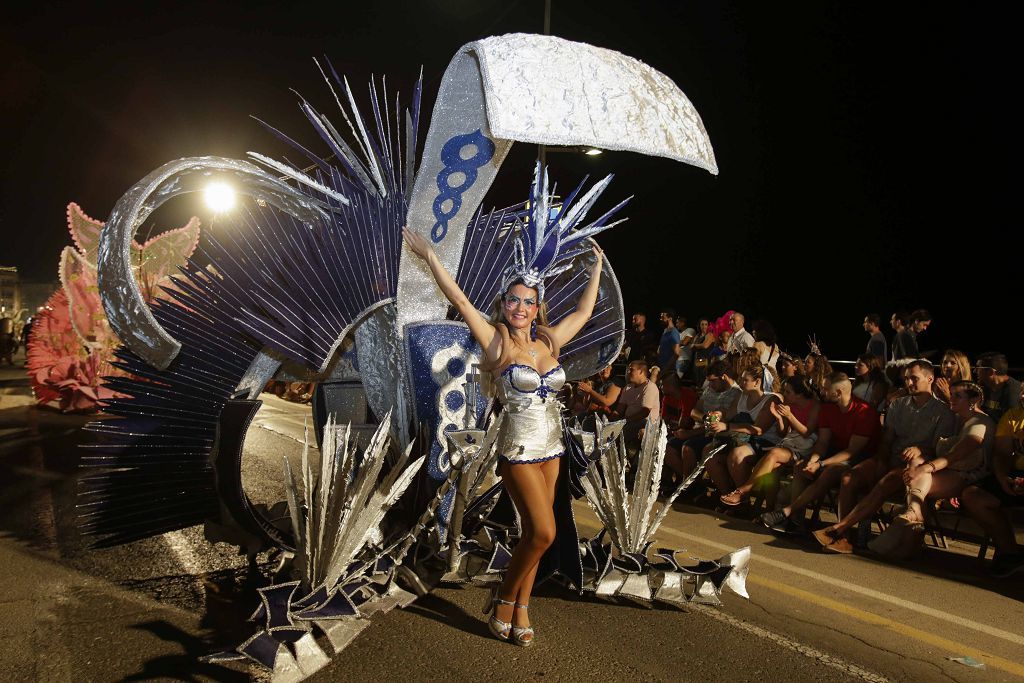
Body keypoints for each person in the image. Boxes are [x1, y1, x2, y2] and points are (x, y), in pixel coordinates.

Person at [402, 173, 610, 646]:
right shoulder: (495, 343)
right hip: (516, 447)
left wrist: (595, 269)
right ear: (505, 304)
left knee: (536, 534)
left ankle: (520, 606)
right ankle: (504, 599)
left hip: (552, 445)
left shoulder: (549, 340)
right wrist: (430, 255)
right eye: (513, 300)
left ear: (537, 309)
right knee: (542, 531)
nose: (519, 307)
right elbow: (458, 298)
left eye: (528, 302)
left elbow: (582, 312)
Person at [811, 361, 955, 553]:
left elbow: (939, 449)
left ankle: (839, 530)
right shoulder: (898, 404)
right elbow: (887, 440)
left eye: (914, 378)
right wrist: (881, 459)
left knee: (886, 481)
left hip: (914, 466)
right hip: (892, 457)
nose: (909, 383)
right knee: (849, 477)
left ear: (930, 379)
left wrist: (920, 449)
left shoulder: (943, 412)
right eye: (906, 379)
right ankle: (843, 538)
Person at [867, 381, 994, 559]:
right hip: (949, 471)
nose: (952, 398)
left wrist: (925, 468)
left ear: (975, 399)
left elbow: (957, 454)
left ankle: (909, 524)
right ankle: (911, 523)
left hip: (970, 476)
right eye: (951, 394)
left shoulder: (979, 422)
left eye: (958, 395)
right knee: (917, 468)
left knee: (918, 481)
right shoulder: (957, 419)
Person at [758, 372, 879, 533]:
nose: (821, 391)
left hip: (861, 457)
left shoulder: (864, 411)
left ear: (838, 393)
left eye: (825, 389)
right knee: (801, 467)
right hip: (834, 451)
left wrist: (821, 463)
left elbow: (852, 451)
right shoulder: (828, 408)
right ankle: (796, 522)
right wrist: (813, 460)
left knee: (830, 472)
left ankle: (790, 514)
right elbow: (822, 442)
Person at [720, 374, 820, 508]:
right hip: (789, 445)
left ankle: (743, 490)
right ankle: (769, 510)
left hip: (805, 450)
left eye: (788, 392)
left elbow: (807, 432)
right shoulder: (789, 405)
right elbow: (782, 432)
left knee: (774, 453)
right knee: (772, 472)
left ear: (799, 394)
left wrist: (789, 416)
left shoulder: (814, 407)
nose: (784, 394)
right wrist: (779, 418)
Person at [960, 380, 1024, 577]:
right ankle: (1010, 553)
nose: (1022, 397)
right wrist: (1003, 477)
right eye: (1022, 392)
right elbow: (1002, 454)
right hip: (1016, 476)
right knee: (973, 495)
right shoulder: (1013, 416)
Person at [703, 364, 781, 504]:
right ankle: (727, 495)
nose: (741, 382)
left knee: (737, 455)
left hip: (764, 441)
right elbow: (729, 414)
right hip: (742, 439)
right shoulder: (742, 396)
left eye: (745, 380)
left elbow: (759, 429)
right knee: (709, 452)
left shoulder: (771, 400)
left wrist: (726, 426)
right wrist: (718, 415)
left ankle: (742, 499)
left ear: (757, 382)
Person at [663, 360, 740, 483]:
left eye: (713, 381)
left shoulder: (736, 394)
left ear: (724, 377)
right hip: (699, 431)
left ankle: (688, 485)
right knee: (668, 448)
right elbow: (694, 411)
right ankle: (691, 483)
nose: (709, 384)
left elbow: (717, 423)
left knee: (688, 448)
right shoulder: (710, 390)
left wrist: (690, 433)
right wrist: (704, 418)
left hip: (716, 435)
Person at [612, 360, 661, 450]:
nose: (628, 372)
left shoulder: (650, 387)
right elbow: (619, 409)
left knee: (621, 432)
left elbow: (645, 412)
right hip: (629, 421)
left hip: (645, 423)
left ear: (641, 372)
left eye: (631, 370)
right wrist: (611, 419)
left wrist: (625, 421)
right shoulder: (628, 388)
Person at [976, 352, 1022, 424]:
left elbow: (1009, 424)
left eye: (978, 368)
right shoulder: (986, 387)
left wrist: (976, 410)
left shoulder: (1013, 392)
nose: (975, 371)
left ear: (990, 372)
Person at [655, 308, 680, 376]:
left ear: (670, 319)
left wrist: (666, 369)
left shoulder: (673, 332)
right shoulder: (665, 331)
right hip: (662, 368)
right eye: (660, 317)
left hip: (669, 371)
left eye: (663, 317)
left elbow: (677, 353)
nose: (661, 319)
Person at [691, 318, 715, 384]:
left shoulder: (710, 334)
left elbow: (705, 345)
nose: (704, 326)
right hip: (697, 359)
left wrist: (695, 345)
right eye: (702, 324)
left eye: (706, 324)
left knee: (703, 377)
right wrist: (695, 346)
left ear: (708, 326)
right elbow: (691, 347)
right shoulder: (697, 335)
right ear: (699, 325)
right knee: (697, 377)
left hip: (706, 359)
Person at [673, 315, 697, 379]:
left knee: (676, 378)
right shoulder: (679, 334)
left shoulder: (690, 330)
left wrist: (674, 343)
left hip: (684, 359)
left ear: (683, 323)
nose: (676, 324)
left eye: (677, 323)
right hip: (677, 359)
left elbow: (684, 342)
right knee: (673, 377)